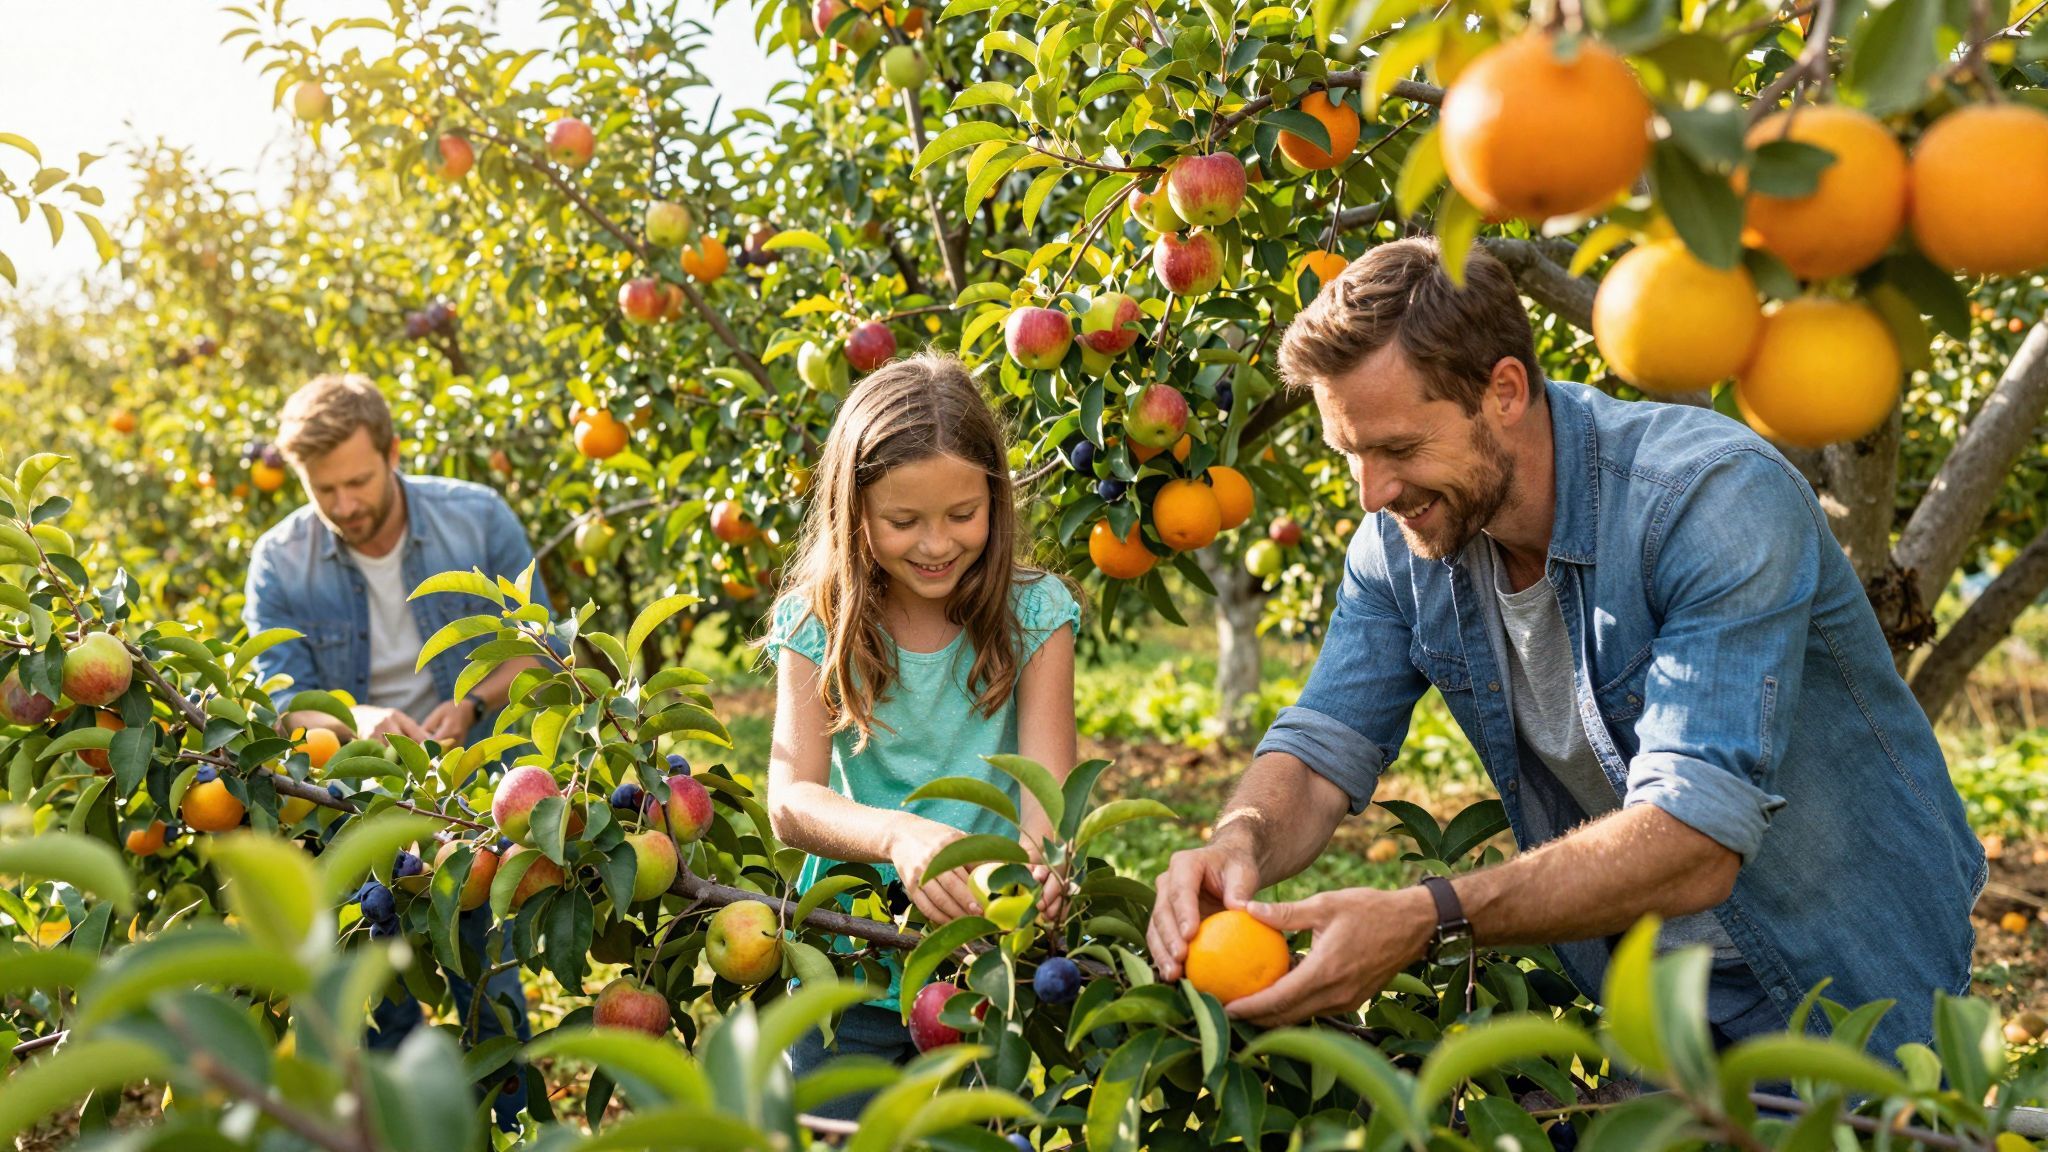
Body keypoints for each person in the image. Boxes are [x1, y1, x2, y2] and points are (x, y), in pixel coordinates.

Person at [1146, 237, 1984, 1056]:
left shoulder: (1709, 500)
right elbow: (1323, 745)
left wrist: (1429, 916)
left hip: (1849, 975)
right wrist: (1238, 840)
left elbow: (1695, 840)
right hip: (1655, 992)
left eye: (1399, 448)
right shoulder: (1401, 545)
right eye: (1351, 455)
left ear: (1504, 390)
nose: (1374, 492)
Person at [763, 354, 1080, 1117]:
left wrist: (1043, 868)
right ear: (853, 511)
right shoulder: (818, 623)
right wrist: (900, 835)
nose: (936, 544)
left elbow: (1049, 786)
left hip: (979, 967)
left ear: (995, 502)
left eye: (961, 515)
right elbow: (791, 797)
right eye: (904, 522)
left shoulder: (1034, 614)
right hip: (851, 964)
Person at [241, 373, 548, 1122]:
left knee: (487, 986)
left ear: (392, 453)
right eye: (324, 491)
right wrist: (358, 716)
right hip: (352, 800)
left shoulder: (474, 520)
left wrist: (472, 702)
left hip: (475, 790)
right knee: (374, 997)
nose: (344, 506)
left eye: (357, 481)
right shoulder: (280, 560)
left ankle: (505, 1130)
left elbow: (540, 648)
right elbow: (279, 697)